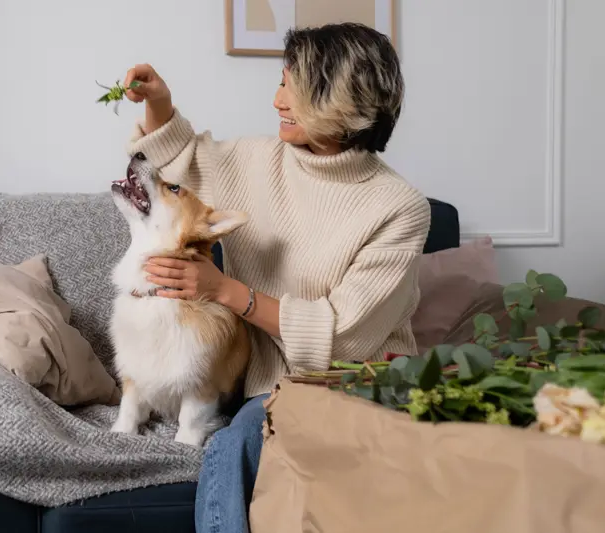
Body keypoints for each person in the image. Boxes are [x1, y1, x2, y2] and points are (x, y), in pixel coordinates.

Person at [124, 22, 430, 533]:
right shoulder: (256, 161)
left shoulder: (400, 208)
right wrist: (158, 101)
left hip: (364, 383)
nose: (276, 99)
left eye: (292, 85)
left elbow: (349, 336)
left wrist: (226, 291)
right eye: (280, 81)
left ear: (340, 100)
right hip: (277, 391)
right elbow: (179, 164)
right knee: (237, 443)